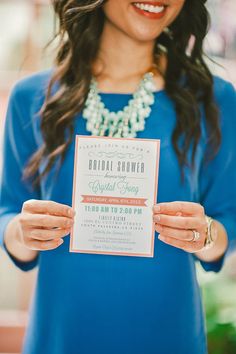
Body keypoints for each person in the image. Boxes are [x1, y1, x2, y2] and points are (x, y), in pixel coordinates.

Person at [0, 0, 236, 353]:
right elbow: (8, 208)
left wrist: (203, 235)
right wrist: (21, 230)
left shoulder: (213, 99)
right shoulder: (32, 96)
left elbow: (228, 217)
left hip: (168, 333)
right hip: (61, 334)